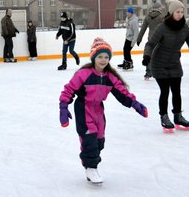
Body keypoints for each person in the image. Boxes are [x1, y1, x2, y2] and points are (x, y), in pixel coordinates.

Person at [59, 37, 148, 185]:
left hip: (98, 111)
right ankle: (91, 167)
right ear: (93, 57)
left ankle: (90, 164)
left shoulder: (109, 77)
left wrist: (134, 103)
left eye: (106, 57)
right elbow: (69, 90)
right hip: (83, 109)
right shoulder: (84, 74)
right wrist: (63, 107)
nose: (103, 60)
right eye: (100, 56)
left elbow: (122, 92)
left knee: (99, 142)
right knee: (90, 139)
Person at [143, 0, 189, 132]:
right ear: (171, 12)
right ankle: (164, 117)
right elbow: (150, 44)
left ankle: (178, 116)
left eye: (182, 12)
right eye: (177, 12)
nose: (180, 15)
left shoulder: (184, 27)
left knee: (176, 91)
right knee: (165, 91)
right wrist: (147, 56)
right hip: (159, 63)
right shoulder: (163, 27)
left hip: (174, 62)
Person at [137, 2, 167, 80]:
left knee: (149, 55)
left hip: (151, 39)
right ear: (159, 8)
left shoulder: (147, 17)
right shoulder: (162, 17)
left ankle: (148, 73)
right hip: (160, 38)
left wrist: (139, 39)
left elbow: (143, 29)